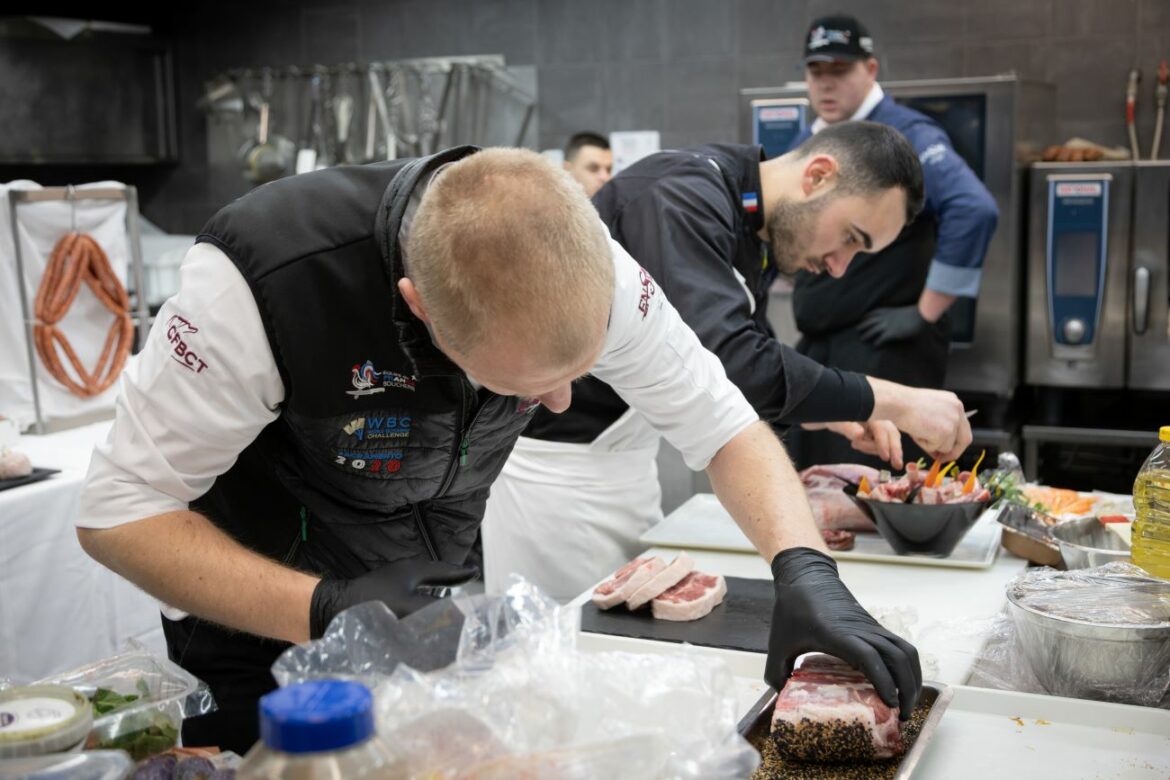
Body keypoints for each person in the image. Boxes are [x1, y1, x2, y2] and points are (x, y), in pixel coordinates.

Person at [75, 145, 921, 752]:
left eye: (576, 373)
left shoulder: (594, 266)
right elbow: (117, 513)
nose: (555, 403)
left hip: (426, 612)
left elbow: (724, 425)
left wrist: (804, 569)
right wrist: (329, 609)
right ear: (421, 309)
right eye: (523, 387)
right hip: (257, 639)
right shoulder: (263, 284)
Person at [482, 122, 974, 601]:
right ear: (818, 175)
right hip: (556, 479)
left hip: (626, 465)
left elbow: (740, 361)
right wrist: (894, 401)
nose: (839, 266)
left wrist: (838, 413)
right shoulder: (677, 196)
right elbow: (732, 361)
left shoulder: (748, 224)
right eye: (851, 237)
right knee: (560, 657)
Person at [786, 14, 998, 468]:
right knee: (818, 486)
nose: (826, 85)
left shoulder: (905, 135)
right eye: (816, 72)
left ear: (871, 70)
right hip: (821, 350)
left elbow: (974, 209)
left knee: (877, 490)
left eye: (839, 71)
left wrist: (925, 312)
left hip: (883, 350)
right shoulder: (810, 140)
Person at [562, 131, 613, 197]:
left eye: (608, 170)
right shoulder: (548, 205)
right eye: (593, 169)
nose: (605, 178)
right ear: (567, 171)